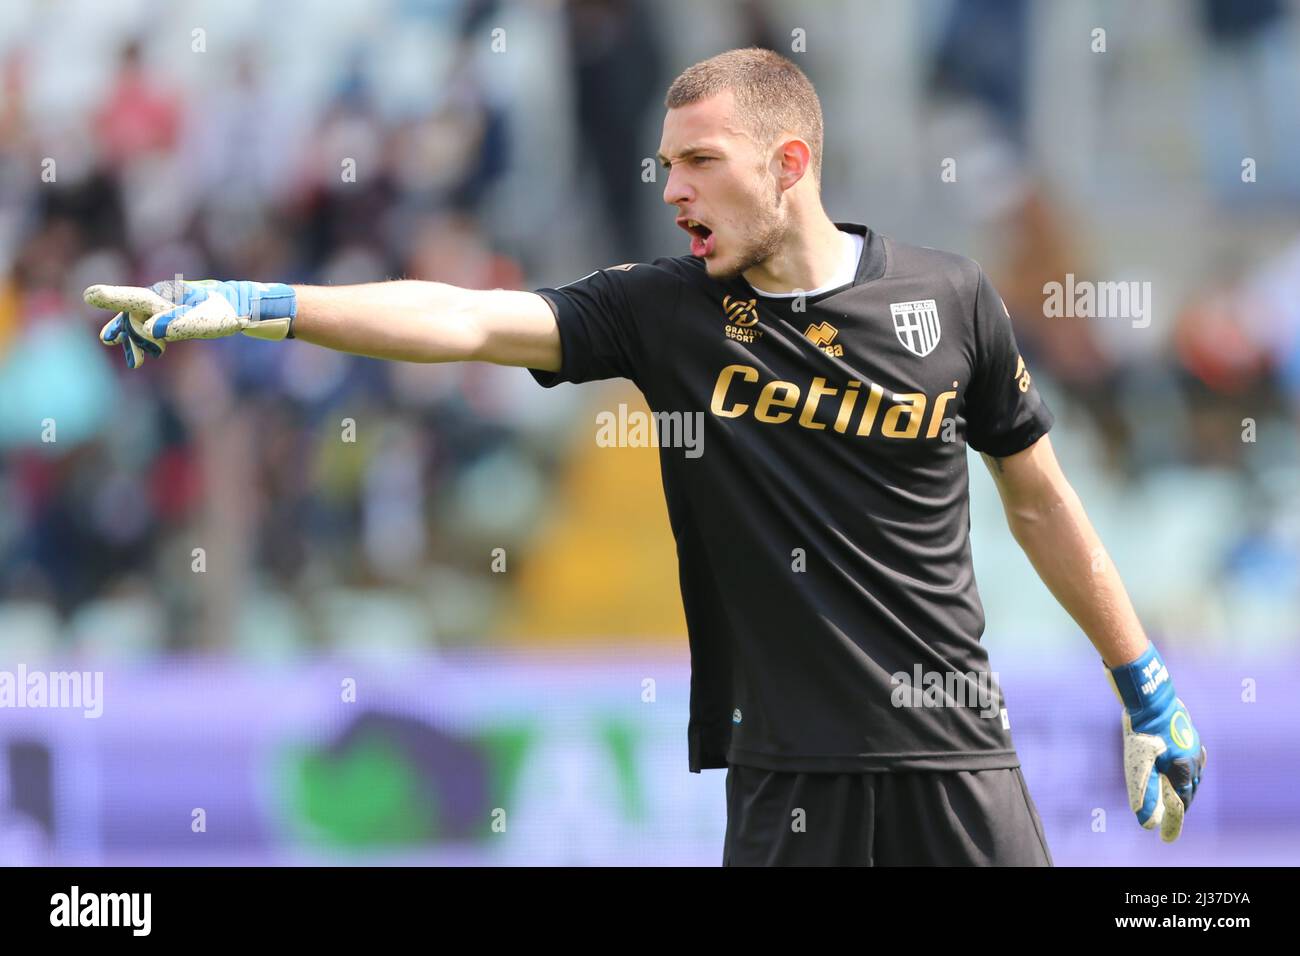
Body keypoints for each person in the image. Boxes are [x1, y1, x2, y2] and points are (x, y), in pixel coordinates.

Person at [84, 47, 1206, 866]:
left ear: (789, 162)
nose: (671, 191)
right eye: (664, 166)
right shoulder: (660, 314)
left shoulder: (950, 296)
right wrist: (257, 304)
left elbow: (1043, 502)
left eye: (699, 163)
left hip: (959, 762)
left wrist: (1144, 686)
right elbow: (466, 321)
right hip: (789, 782)